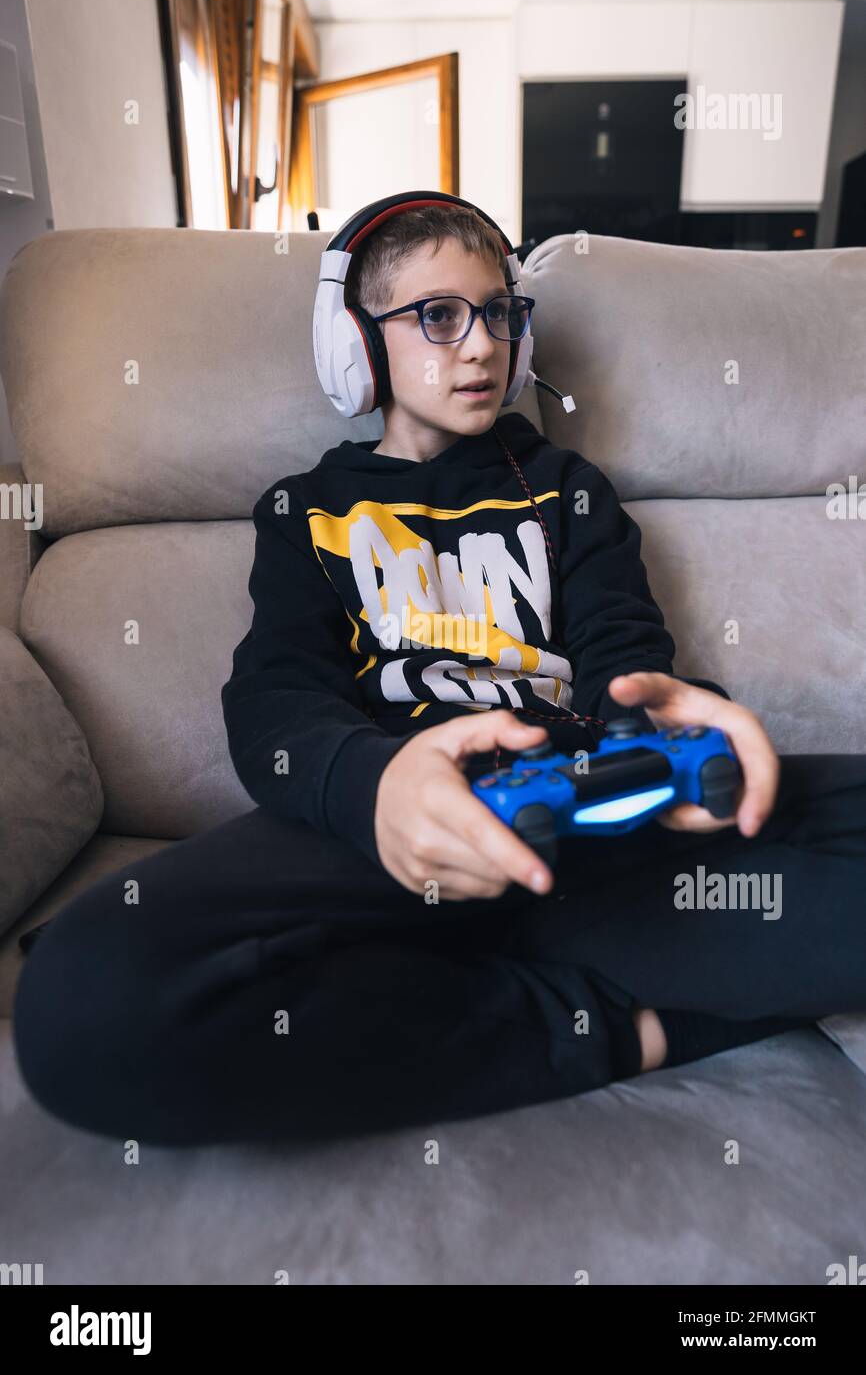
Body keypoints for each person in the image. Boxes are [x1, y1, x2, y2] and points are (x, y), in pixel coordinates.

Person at [12, 203, 866, 1147]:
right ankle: (633, 1018)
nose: (482, 346)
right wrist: (375, 789)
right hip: (384, 834)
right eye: (438, 315)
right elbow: (274, 700)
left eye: (500, 313)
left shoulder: (568, 487)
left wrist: (671, 725)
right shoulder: (305, 508)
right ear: (356, 346)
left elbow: (625, 657)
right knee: (84, 997)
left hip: (577, 824)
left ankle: (534, 979)